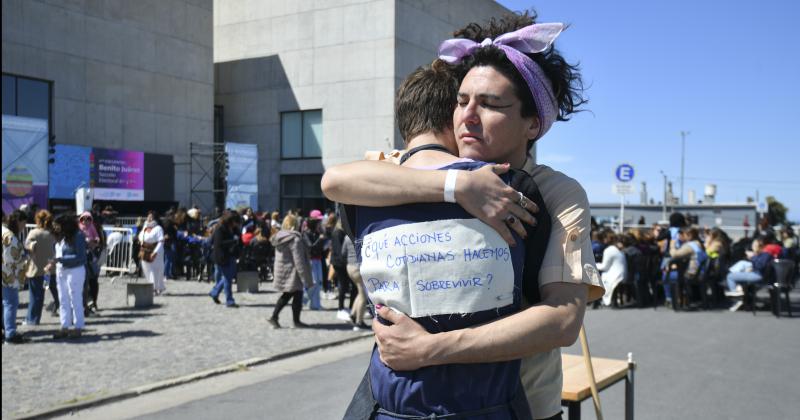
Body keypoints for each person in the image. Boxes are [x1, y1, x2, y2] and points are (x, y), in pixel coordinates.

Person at [325, 12, 604, 420]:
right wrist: (458, 187)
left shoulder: (556, 192)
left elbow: (562, 320)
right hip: (407, 405)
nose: (467, 116)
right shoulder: (426, 168)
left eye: (490, 104)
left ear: (532, 124)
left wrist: (429, 349)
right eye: (462, 101)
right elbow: (339, 180)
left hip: (519, 405)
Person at [268, 214, 313, 328]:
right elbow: (299, 261)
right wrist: (305, 277)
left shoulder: (279, 237)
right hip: (293, 273)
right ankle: (287, 319)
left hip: (283, 271)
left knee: (291, 295)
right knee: (291, 295)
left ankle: (279, 318)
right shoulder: (295, 239)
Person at [50, 213, 87, 339]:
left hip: (75, 271)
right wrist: (55, 262)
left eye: (57, 225)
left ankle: (78, 327)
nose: (55, 228)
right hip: (61, 271)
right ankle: (64, 326)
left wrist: (60, 259)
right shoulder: (61, 237)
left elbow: (81, 257)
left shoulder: (78, 235)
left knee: (75, 299)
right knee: (63, 300)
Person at [24, 210, 56, 325]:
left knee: (36, 296)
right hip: (49, 271)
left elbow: (27, 246)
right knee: (47, 292)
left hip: (36, 271)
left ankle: (32, 319)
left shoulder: (33, 233)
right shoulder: (52, 234)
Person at [3, 210, 30, 344]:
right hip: (8, 275)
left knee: (5, 304)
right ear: (19, 221)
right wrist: (26, 255)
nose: (24, 226)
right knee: (10, 304)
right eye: (24, 223)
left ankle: (6, 330)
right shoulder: (11, 237)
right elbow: (13, 258)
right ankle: (10, 333)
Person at [209, 211, 241, 308]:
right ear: (229, 221)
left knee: (228, 277)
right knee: (228, 279)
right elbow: (219, 243)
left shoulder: (233, 228)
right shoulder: (220, 229)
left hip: (231, 255)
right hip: (222, 256)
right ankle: (229, 300)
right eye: (235, 222)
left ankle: (214, 292)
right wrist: (233, 241)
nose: (236, 224)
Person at [342, 234, 368, 331]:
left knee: (360, 292)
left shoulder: (346, 236)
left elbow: (343, 252)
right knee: (364, 296)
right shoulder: (362, 235)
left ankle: (353, 315)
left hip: (350, 267)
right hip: (359, 267)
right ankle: (359, 322)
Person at [596, 230, 627, 306]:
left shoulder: (609, 250)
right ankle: (616, 301)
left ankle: (610, 301)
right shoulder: (620, 250)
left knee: (603, 277)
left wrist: (595, 265)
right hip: (623, 273)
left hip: (615, 276)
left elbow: (604, 266)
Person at [302, 210, 326, 310]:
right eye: (319, 221)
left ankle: (315, 304)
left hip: (318, 259)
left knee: (319, 282)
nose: (320, 222)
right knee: (313, 282)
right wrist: (320, 240)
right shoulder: (305, 233)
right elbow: (310, 247)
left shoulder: (318, 232)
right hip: (310, 260)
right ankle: (303, 300)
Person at [139, 211, 166, 295]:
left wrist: (155, 252)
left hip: (155, 251)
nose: (149, 218)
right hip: (145, 250)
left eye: (151, 217)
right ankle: (152, 286)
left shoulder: (158, 228)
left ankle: (155, 288)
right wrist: (141, 242)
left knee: (155, 270)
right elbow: (140, 236)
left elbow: (161, 241)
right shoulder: (145, 227)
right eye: (148, 216)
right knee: (147, 270)